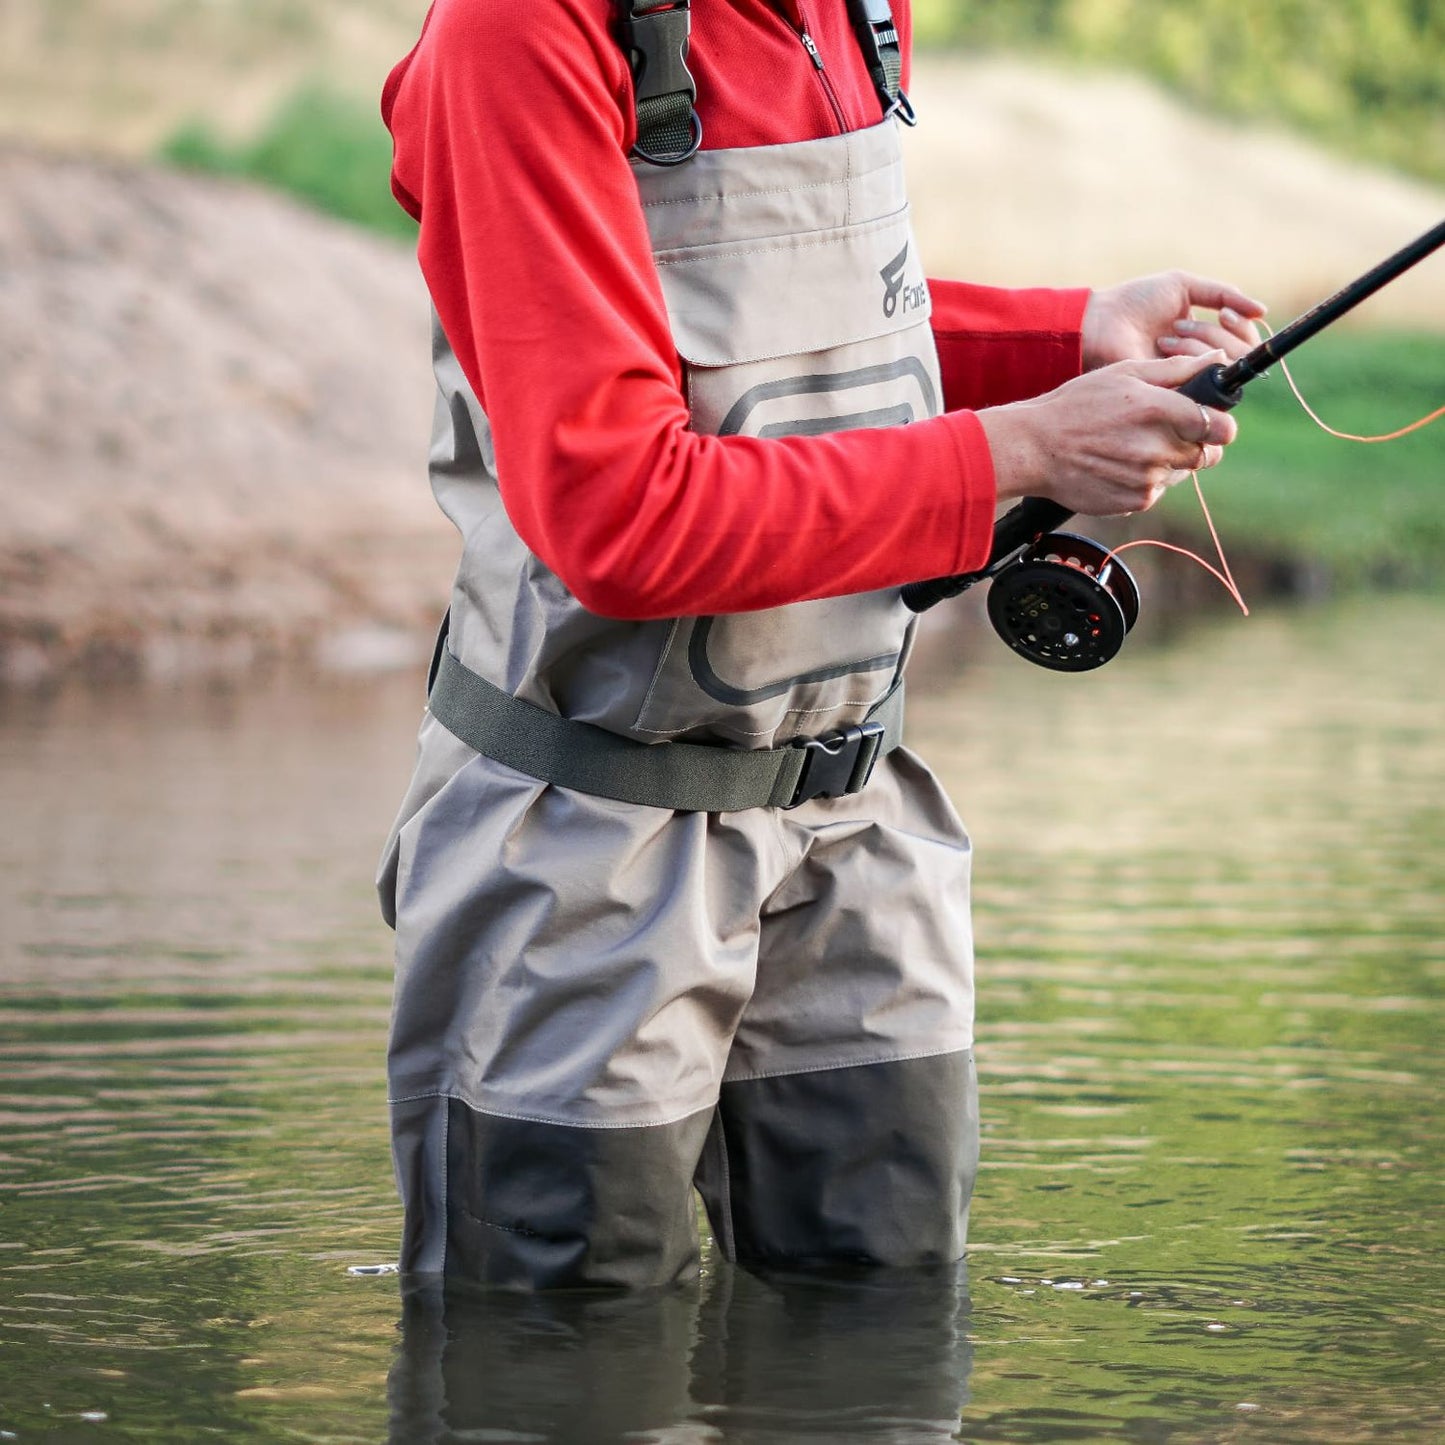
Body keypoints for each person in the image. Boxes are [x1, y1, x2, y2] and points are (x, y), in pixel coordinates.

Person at [376, 0, 1262, 1290]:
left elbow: (794, 333)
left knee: (886, 1333)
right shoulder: (518, 34)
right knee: (553, 1360)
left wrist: (1059, 338)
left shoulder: (860, 12)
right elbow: (623, 516)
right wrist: (1022, 450)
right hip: (581, 848)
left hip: (862, 827)